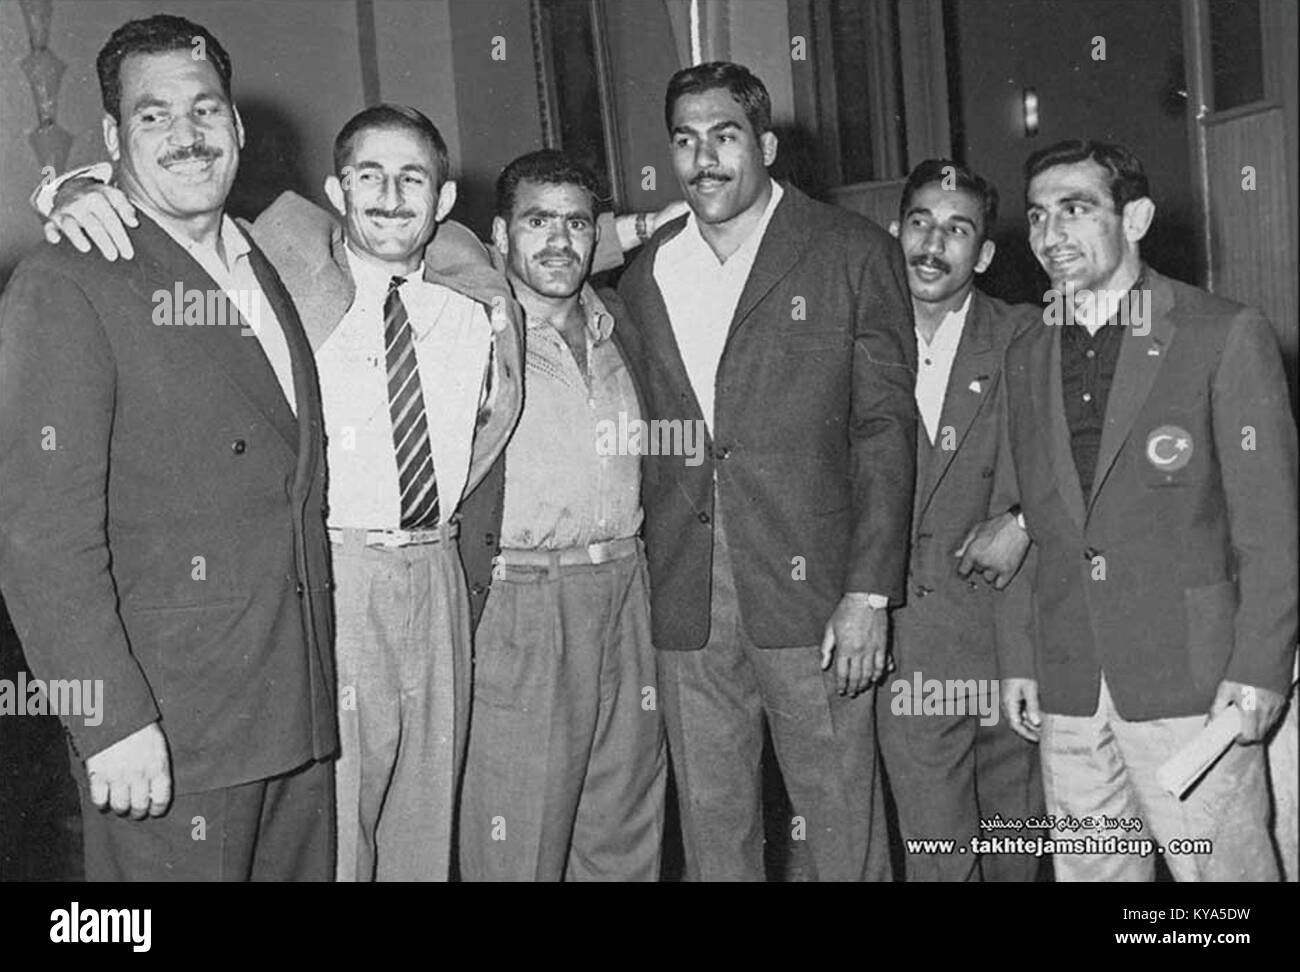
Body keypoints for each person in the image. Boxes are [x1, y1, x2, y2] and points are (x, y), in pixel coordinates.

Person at [0, 14, 337, 880]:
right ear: (112, 138)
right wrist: (108, 721)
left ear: (238, 125)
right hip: (172, 731)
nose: (187, 137)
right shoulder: (67, 280)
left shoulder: (263, 256)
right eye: (154, 117)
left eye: (206, 110)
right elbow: (39, 535)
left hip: (293, 713)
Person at [615, 62, 916, 881]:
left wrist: (868, 594)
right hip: (687, 593)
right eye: (684, 140)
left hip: (816, 589)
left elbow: (887, 430)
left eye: (724, 135)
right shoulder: (647, 275)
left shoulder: (851, 252)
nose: (703, 158)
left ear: (767, 143)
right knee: (714, 830)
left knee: (842, 824)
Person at [992, 139, 1297, 880]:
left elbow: (1272, 527)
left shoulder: (1221, 333)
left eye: (1075, 209)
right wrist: (1018, 657)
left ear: (1137, 218)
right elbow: (1019, 512)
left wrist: (1260, 668)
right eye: (1037, 216)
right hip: (1070, 678)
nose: (1050, 235)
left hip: (1193, 677)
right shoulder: (1026, 348)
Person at [457, 150, 666, 881]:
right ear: (499, 234)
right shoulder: (473, 326)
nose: (558, 241)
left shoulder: (624, 323)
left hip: (627, 593)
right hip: (524, 602)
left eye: (577, 225)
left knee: (624, 827)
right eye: (536, 221)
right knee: (520, 841)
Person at [878, 159, 1044, 881]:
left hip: (1015, 640)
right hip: (907, 644)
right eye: (919, 222)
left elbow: (1104, 451)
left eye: (956, 230)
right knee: (938, 859)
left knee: (1016, 852)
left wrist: (1024, 516)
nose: (932, 244)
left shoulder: (1029, 336)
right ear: (895, 232)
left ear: (983, 255)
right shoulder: (853, 340)